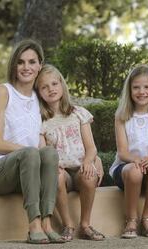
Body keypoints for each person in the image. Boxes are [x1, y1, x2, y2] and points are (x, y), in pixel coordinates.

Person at [0, 39, 64, 244]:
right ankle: (33, 225)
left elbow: (46, 136)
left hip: (28, 171)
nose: (26, 67)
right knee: (32, 152)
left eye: (32, 62)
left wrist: (89, 157)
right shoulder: (3, 91)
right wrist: (30, 152)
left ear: (39, 65)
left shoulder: (38, 97)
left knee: (50, 153)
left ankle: (47, 223)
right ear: (13, 65)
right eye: (21, 62)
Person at [35, 64, 105, 241]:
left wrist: (89, 161)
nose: (51, 89)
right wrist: (51, 165)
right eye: (44, 87)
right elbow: (42, 150)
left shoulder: (79, 114)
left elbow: (91, 148)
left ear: (62, 85)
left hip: (81, 168)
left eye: (54, 84)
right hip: (62, 172)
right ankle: (68, 225)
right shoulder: (40, 121)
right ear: (39, 92)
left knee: (89, 175)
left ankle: (85, 225)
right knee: (56, 176)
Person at [109, 64, 148, 239]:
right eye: (136, 87)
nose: (141, 91)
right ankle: (131, 220)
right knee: (135, 172)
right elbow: (122, 152)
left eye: (146, 87)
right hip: (126, 170)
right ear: (129, 90)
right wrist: (136, 160)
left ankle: (147, 218)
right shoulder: (122, 116)